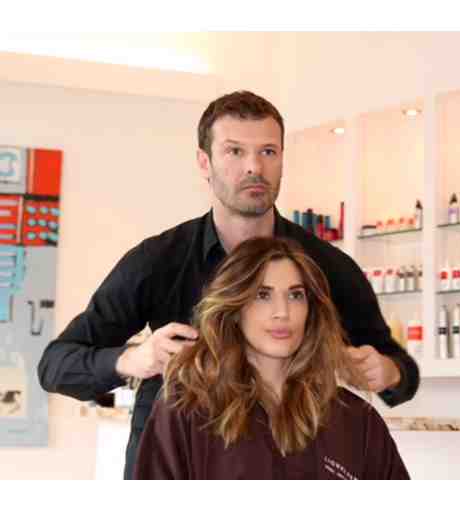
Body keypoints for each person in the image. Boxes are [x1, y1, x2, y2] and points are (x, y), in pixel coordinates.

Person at [38, 90, 419, 479]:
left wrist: (386, 371)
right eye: (235, 151)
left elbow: (399, 372)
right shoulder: (158, 261)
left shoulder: (327, 266)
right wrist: (135, 359)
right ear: (204, 162)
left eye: (268, 151)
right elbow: (55, 365)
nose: (254, 167)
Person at [134, 237, 409, 479]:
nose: (282, 312)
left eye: (296, 295)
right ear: (235, 308)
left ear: (311, 310)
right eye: (262, 295)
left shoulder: (357, 420)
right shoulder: (186, 409)